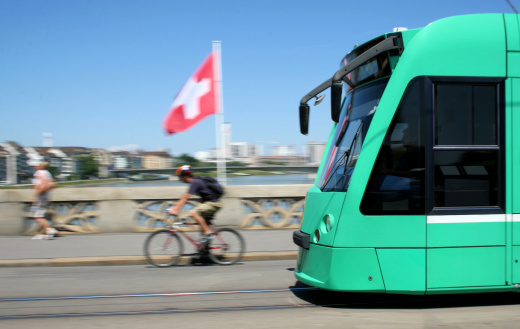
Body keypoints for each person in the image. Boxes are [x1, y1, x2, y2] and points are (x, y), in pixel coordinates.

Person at [169, 165, 222, 245]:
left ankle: (208, 233)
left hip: (213, 204)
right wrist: (174, 206)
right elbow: (184, 197)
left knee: (194, 212)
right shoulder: (196, 181)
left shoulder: (195, 182)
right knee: (203, 224)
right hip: (210, 203)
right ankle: (205, 250)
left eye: (180, 177)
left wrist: (175, 210)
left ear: (185, 176)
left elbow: (186, 197)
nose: (180, 179)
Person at [31, 162, 58, 240]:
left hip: (41, 195)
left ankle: (49, 229)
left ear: (41, 166)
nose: (35, 167)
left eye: (36, 165)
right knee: (41, 214)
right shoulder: (48, 173)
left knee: (37, 215)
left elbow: (43, 183)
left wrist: (37, 194)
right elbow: (52, 184)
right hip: (46, 195)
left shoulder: (40, 172)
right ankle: (46, 232)